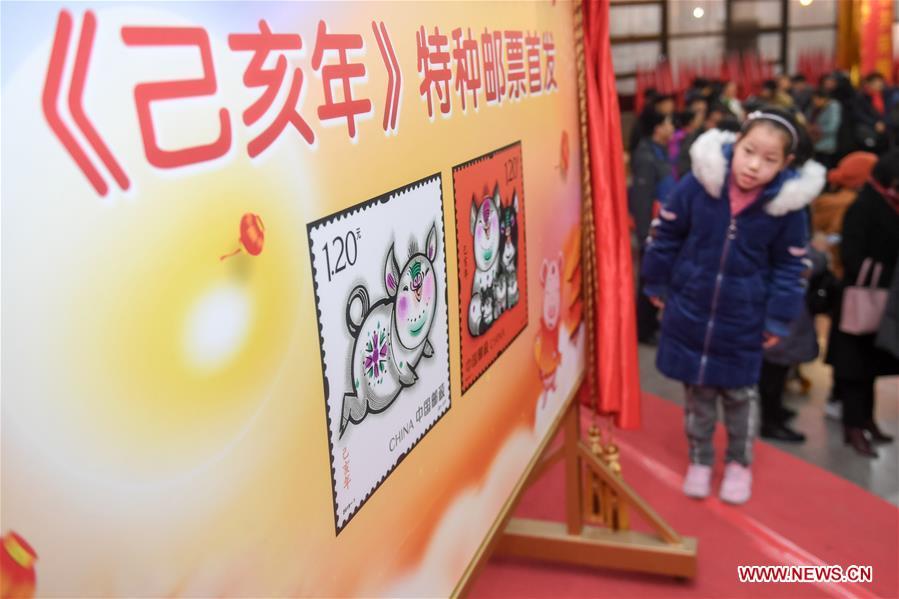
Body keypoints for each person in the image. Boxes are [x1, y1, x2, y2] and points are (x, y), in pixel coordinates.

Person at [641, 108, 825, 504]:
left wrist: (777, 318)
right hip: (692, 310)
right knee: (698, 397)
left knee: (741, 398)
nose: (754, 166)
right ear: (735, 144)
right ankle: (701, 460)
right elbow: (667, 233)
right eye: (749, 151)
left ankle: (739, 462)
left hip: (743, 319)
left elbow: (790, 267)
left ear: (786, 163)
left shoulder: (786, 210)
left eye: (769, 159)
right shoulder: (699, 185)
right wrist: (656, 278)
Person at [826, 150, 899, 458]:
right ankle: (852, 426)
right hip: (860, 298)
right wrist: (877, 275)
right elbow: (851, 256)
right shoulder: (865, 205)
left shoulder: (888, 203)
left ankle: (866, 420)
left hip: (881, 298)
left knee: (869, 364)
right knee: (854, 367)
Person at [630, 111, 675, 344]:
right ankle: (643, 329)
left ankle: (650, 323)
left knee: (656, 276)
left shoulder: (660, 151)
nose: (671, 126)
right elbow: (641, 199)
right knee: (648, 279)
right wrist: (646, 233)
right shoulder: (646, 156)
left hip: (663, 228)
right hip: (652, 232)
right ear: (657, 128)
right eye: (667, 121)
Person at [852, 72, 890, 153]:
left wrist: (884, 123)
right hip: (868, 131)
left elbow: (889, 112)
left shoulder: (886, 96)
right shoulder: (861, 97)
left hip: (883, 131)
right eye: (877, 82)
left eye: (881, 82)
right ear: (869, 83)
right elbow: (859, 114)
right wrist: (875, 123)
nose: (880, 85)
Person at [806, 87, 842, 169]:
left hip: (826, 145)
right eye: (813, 99)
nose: (815, 102)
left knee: (825, 168)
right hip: (814, 144)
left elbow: (832, 127)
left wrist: (815, 129)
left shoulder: (833, 107)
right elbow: (807, 119)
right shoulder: (813, 108)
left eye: (817, 99)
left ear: (824, 99)